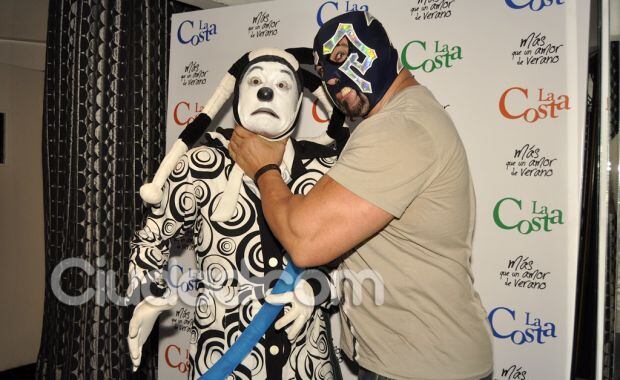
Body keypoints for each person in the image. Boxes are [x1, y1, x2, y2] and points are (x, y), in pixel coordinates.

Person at [228, 11, 493, 380]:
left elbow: (305, 241)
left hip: (424, 366)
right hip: (408, 361)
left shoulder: (398, 127)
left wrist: (264, 168)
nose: (336, 81)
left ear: (381, 50)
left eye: (343, 57)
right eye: (325, 74)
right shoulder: (397, 120)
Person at [126, 48, 344, 379]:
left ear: (298, 104)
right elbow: (152, 238)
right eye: (255, 81)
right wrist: (149, 293)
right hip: (223, 363)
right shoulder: (201, 165)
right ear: (237, 97)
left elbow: (354, 256)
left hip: (304, 366)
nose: (267, 91)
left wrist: (317, 288)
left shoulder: (324, 170)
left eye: (282, 86)